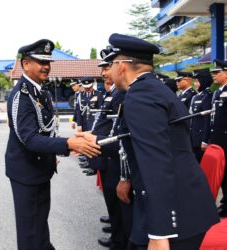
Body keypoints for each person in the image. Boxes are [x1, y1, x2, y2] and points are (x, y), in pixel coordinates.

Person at [82, 33, 219, 249]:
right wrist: (97, 142)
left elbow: (156, 161)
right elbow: (137, 142)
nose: (107, 71)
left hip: (175, 214)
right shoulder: (151, 89)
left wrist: (160, 230)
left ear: (122, 65)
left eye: (110, 64)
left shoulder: (141, 96)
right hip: (178, 204)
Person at [5, 39, 101, 250]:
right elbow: (28, 138)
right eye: (40, 61)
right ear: (26, 64)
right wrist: (68, 144)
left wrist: (53, 153)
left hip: (40, 167)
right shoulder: (21, 95)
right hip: (25, 171)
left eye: (48, 61)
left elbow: (46, 128)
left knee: (40, 220)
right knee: (29, 228)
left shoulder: (41, 92)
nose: (46, 66)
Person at [89, 48, 129, 249]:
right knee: (112, 202)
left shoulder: (121, 94)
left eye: (107, 67)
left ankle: (118, 239)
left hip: (114, 156)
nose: (104, 73)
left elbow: (118, 130)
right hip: (106, 154)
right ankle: (116, 233)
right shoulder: (111, 93)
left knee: (118, 204)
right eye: (103, 68)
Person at [209, 59, 227, 217]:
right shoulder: (218, 92)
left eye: (217, 73)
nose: (213, 76)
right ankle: (225, 202)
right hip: (219, 139)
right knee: (223, 175)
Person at [189, 69, 213, 163]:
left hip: (200, 139)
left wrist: (204, 140)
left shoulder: (208, 96)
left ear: (203, 81)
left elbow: (207, 119)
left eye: (197, 81)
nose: (195, 83)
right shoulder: (196, 96)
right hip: (193, 137)